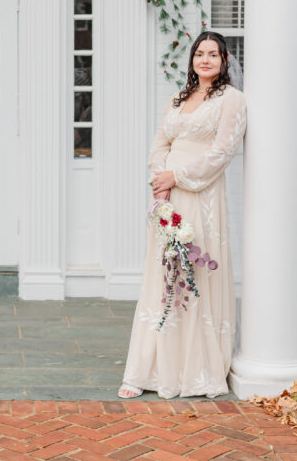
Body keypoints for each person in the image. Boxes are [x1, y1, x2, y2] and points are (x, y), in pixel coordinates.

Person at [119, 31, 247, 399]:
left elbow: (223, 153)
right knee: (161, 273)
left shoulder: (232, 100)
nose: (205, 60)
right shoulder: (178, 99)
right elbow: (160, 141)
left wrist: (179, 176)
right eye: (199, 54)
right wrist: (159, 180)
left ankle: (193, 371)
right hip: (167, 195)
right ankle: (149, 368)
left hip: (200, 195)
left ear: (224, 60)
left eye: (213, 54)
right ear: (192, 60)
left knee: (193, 273)